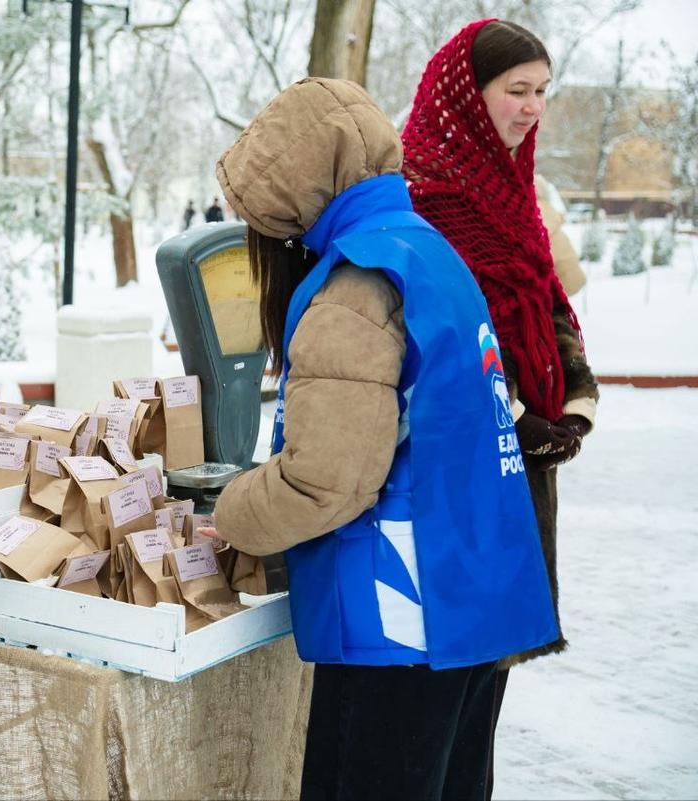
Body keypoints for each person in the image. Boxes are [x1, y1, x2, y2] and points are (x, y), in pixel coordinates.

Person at [210, 77, 559, 800]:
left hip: (400, 624)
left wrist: (228, 510)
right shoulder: (428, 250)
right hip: (474, 601)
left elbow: (327, 482)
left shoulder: (356, 285)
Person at [400, 20, 599, 794]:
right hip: (458, 474)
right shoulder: (421, 198)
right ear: (466, 97)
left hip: (528, 470)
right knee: (445, 680)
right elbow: (439, 337)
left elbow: (548, 300)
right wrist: (513, 416)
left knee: (486, 689)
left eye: (542, 92)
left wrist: (574, 402)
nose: (531, 109)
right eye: (516, 90)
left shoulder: (516, 190)